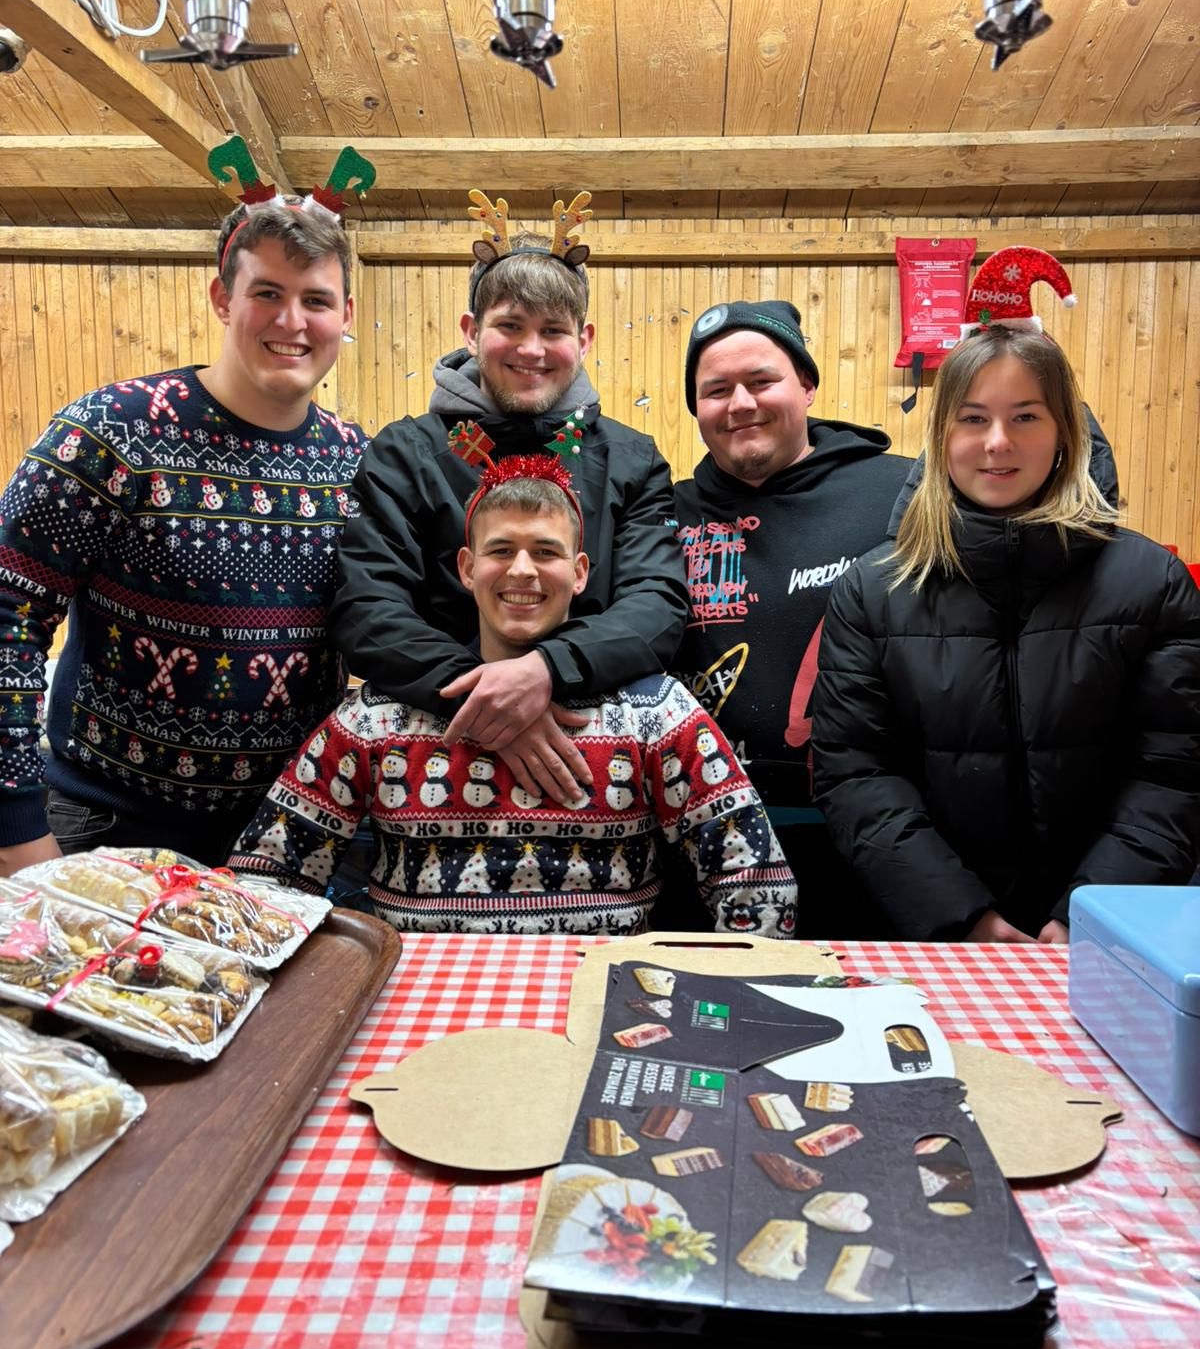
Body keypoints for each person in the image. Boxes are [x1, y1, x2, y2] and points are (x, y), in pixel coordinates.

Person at [231, 458, 795, 937]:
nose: (522, 571)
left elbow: (759, 886)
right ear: (467, 568)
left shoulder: (658, 715)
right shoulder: (374, 719)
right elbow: (262, 881)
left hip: (605, 1003)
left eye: (545, 552)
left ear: (579, 572)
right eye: (501, 550)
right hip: (417, 1005)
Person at [0, 182, 367, 875]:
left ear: (345, 314)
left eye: (316, 300)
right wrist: (13, 824)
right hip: (103, 833)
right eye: (266, 293)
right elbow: (7, 619)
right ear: (222, 298)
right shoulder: (109, 433)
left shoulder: (359, 463)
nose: (292, 320)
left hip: (291, 843)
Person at [812, 324, 1200, 943]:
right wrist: (965, 917)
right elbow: (856, 774)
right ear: (942, 436)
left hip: (1111, 934)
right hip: (936, 936)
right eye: (973, 418)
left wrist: (1087, 918)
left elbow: (1171, 775)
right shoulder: (873, 590)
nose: (998, 442)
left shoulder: (1153, 582)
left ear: (1064, 432)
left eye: (1025, 416)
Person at [328, 192, 689, 810]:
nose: (532, 350)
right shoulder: (405, 454)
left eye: (553, 330)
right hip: (434, 746)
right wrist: (491, 699)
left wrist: (544, 671)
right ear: (472, 332)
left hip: (599, 755)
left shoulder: (632, 460)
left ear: (584, 339)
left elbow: (656, 603)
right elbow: (367, 608)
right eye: (510, 326)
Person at [672, 299, 910, 930]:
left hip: (871, 841)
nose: (740, 403)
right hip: (702, 845)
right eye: (716, 390)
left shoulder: (904, 494)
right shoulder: (664, 515)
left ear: (806, 385)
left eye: (761, 381)